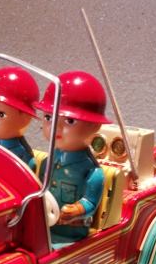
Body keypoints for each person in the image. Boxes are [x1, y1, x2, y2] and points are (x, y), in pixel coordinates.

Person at [34, 71, 112, 242]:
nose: (55, 127)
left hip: (71, 235)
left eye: (69, 121)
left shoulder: (92, 172)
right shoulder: (48, 162)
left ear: (94, 126)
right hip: (44, 227)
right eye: (48, 117)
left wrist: (77, 209)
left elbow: (91, 202)